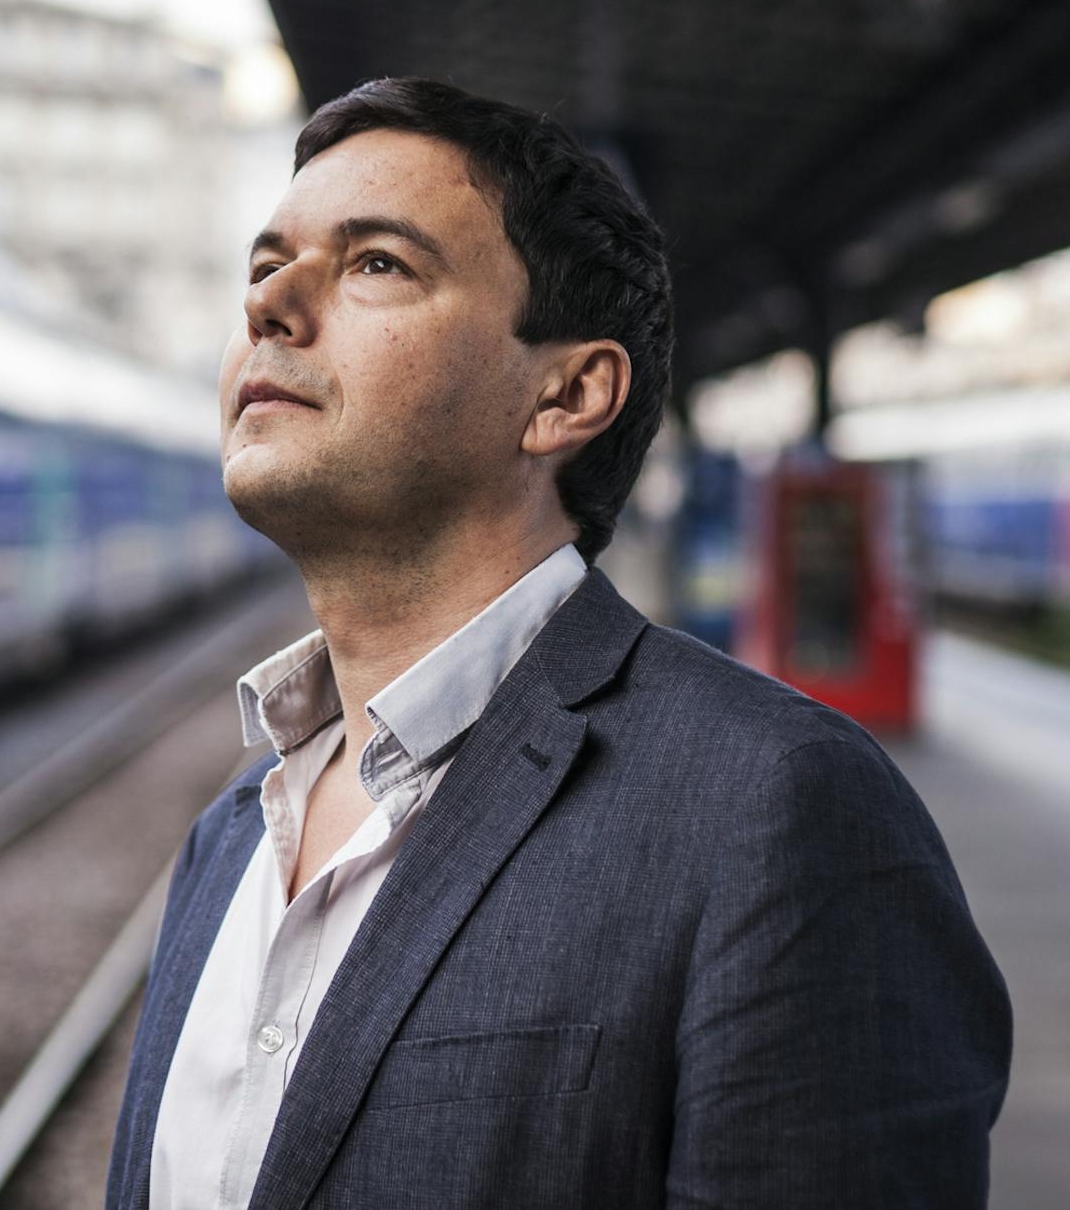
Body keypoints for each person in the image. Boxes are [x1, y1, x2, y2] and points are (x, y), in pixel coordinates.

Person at [107, 77, 1011, 1210]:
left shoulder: (777, 810)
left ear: (566, 394)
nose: (271, 309)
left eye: (376, 262)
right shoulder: (227, 841)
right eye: (263, 266)